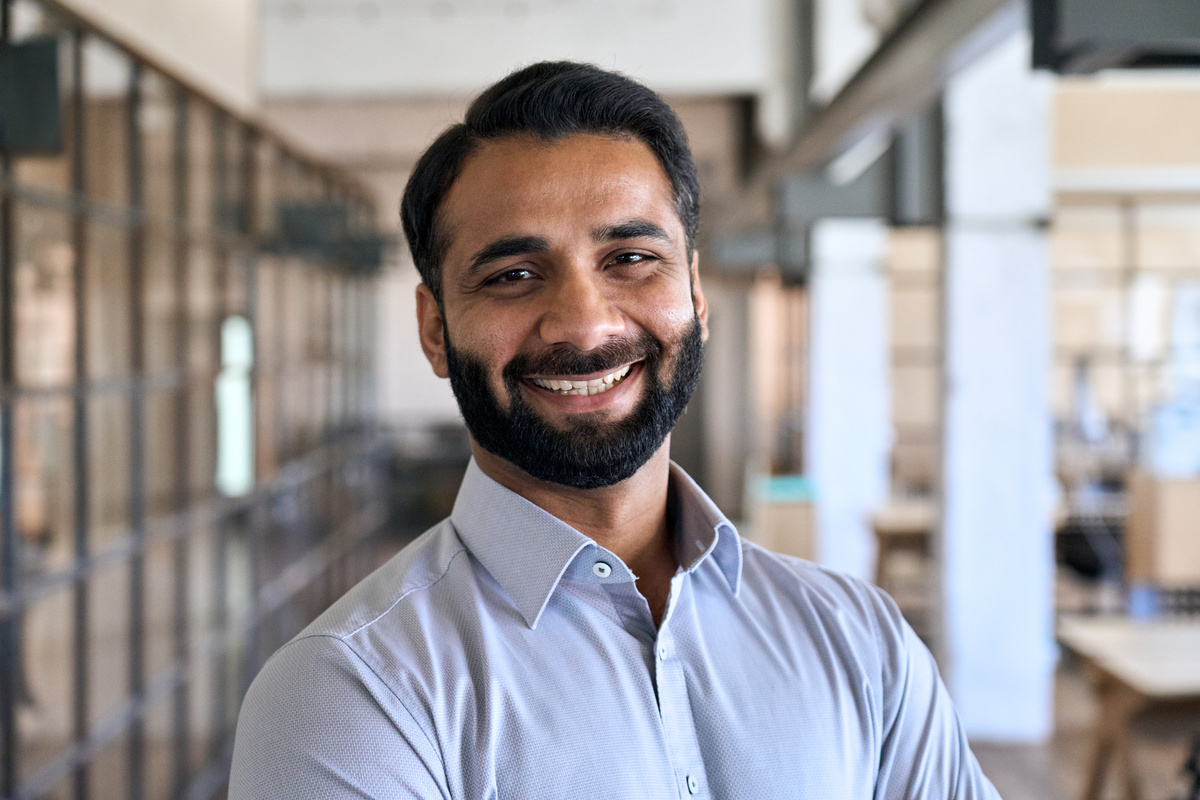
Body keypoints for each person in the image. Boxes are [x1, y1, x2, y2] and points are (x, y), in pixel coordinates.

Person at [229, 61, 1000, 799]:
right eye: (513, 276)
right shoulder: (350, 694)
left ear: (695, 291)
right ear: (435, 328)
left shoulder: (860, 642)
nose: (584, 324)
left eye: (630, 257)